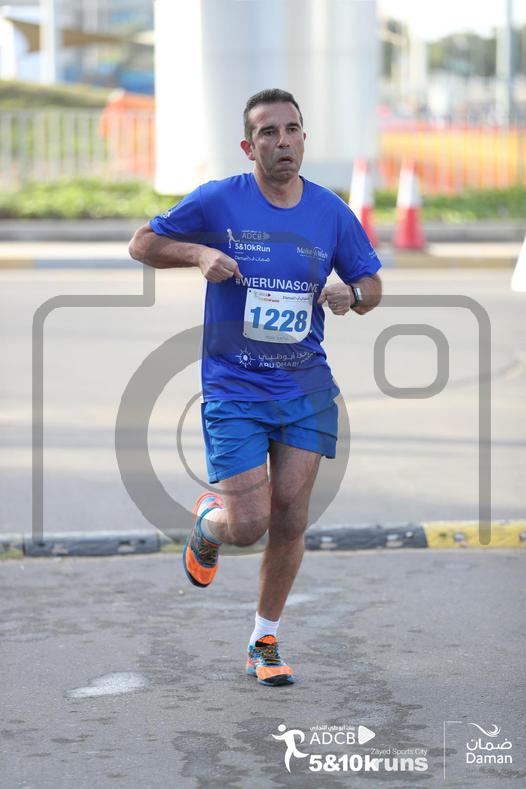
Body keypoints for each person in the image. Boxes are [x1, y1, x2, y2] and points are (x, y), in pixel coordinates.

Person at [128, 88, 382, 687]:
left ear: (304, 139)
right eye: (268, 132)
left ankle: (264, 639)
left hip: (305, 387)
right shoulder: (220, 199)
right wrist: (198, 254)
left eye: (292, 130)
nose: (282, 141)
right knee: (248, 525)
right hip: (234, 387)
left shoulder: (330, 212)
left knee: (290, 516)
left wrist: (352, 294)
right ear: (249, 147)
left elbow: (371, 286)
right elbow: (142, 243)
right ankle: (209, 526)